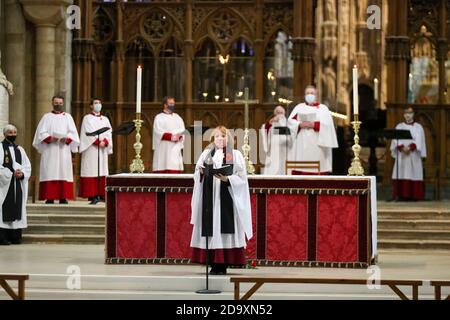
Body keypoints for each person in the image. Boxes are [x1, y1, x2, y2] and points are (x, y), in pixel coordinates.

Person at [190, 126, 253, 275]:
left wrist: (227, 178)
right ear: (213, 139)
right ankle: (212, 262)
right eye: (217, 136)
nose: (220, 139)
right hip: (209, 198)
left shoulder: (234, 154)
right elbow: (197, 173)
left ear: (228, 138)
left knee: (222, 226)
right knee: (211, 227)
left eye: (223, 136)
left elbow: (242, 177)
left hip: (226, 198)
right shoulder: (206, 153)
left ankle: (223, 263)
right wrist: (200, 172)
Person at [32, 95, 80, 204]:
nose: (58, 105)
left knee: (63, 172)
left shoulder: (68, 117)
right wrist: (50, 138)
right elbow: (41, 133)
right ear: (52, 103)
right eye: (56, 103)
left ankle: (63, 197)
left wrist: (67, 139)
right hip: (50, 150)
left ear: (63, 103)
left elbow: (74, 134)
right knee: (50, 171)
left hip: (64, 150)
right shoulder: (46, 117)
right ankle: (50, 197)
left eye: (60, 103)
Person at [288, 85, 338, 175]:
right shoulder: (299, 107)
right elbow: (290, 122)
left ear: (316, 95)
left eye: (312, 93)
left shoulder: (323, 108)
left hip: (317, 145)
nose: (309, 95)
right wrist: (300, 124)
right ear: (304, 95)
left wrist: (314, 124)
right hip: (302, 145)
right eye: (307, 93)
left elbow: (328, 126)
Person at [0, 125, 31, 245]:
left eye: (14, 132)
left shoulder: (20, 149)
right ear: (5, 134)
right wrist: (10, 173)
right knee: (4, 209)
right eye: (10, 132)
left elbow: (27, 166)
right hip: (5, 185)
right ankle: (3, 237)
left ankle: (15, 237)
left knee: (17, 207)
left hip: (17, 184)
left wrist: (22, 173)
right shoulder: (0, 148)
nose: (13, 135)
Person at [79, 98, 113, 202]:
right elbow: (87, 132)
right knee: (91, 169)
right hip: (91, 148)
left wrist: (106, 142)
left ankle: (101, 193)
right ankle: (92, 194)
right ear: (91, 106)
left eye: (99, 103)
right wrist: (98, 142)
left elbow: (109, 132)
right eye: (95, 103)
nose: (98, 105)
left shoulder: (105, 119)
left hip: (102, 148)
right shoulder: (87, 118)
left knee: (101, 169)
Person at [390, 107, 427, 201]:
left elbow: (420, 140)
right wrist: (402, 147)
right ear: (403, 114)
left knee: (413, 172)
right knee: (401, 172)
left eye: (410, 113)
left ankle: (414, 196)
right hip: (402, 154)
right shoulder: (399, 126)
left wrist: (410, 148)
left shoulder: (418, 127)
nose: (407, 115)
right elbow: (395, 140)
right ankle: (400, 195)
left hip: (413, 154)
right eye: (406, 113)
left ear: (413, 114)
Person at [152, 97, 185, 173]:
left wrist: (178, 136)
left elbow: (182, 131)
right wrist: (171, 137)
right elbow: (158, 132)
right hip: (163, 148)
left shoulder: (178, 117)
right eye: (170, 103)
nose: (172, 105)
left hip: (175, 148)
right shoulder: (159, 117)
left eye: (173, 103)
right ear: (165, 105)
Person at [260, 106, 292, 175]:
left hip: (286, 150)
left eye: (281, 112)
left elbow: (292, 134)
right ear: (275, 114)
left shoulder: (289, 123)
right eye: (278, 112)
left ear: (284, 113)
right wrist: (270, 123)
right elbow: (265, 131)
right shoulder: (271, 123)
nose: (280, 114)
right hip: (274, 151)